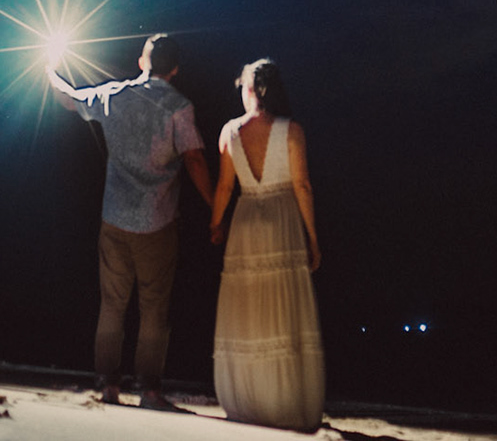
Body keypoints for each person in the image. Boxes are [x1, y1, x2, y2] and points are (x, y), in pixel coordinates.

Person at [49, 32, 213, 410]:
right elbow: (194, 159)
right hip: (158, 221)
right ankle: (150, 389)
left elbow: (70, 99)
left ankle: (108, 384)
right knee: (155, 308)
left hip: (115, 218)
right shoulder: (179, 106)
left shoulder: (114, 95)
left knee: (112, 305)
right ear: (175, 69)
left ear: (143, 61)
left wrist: (49, 70)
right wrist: (215, 208)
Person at [208, 58, 324, 431]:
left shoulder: (229, 131)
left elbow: (225, 186)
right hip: (281, 221)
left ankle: (249, 401)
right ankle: (282, 401)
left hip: (245, 221)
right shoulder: (292, 131)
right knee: (282, 311)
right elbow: (302, 186)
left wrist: (215, 223)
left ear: (251, 89)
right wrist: (312, 237)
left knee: (249, 313)